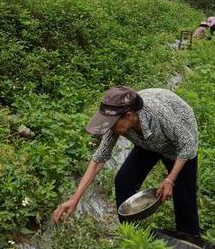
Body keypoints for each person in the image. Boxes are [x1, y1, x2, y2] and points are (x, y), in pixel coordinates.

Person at [53, 87, 200, 237]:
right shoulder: (116, 125)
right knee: (123, 182)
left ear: (129, 115)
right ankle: (130, 234)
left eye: (112, 124)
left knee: (184, 200)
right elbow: (99, 158)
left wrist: (170, 179)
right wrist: (75, 199)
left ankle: (190, 241)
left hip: (179, 144)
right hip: (148, 143)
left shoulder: (159, 114)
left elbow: (187, 144)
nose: (109, 128)